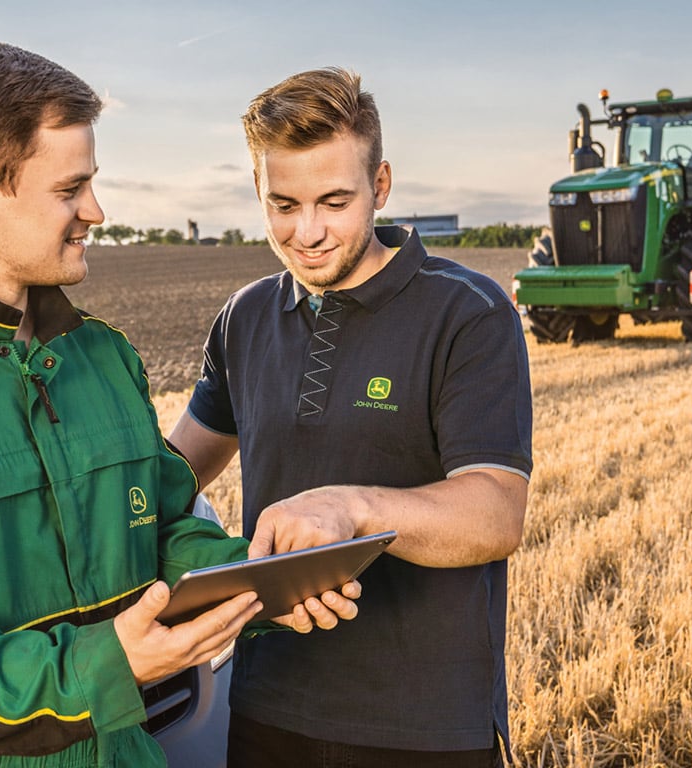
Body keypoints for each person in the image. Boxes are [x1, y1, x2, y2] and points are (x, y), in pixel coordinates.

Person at [0, 42, 351, 768]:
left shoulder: (103, 358)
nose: (96, 211)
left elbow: (163, 526)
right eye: (69, 189)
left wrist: (259, 584)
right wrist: (98, 668)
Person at [169, 68, 533, 767]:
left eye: (334, 202)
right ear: (258, 192)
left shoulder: (468, 313)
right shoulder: (244, 318)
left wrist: (353, 507)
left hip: (424, 726)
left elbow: (496, 514)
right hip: (267, 706)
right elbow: (174, 472)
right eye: (283, 205)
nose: (306, 233)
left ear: (382, 185)